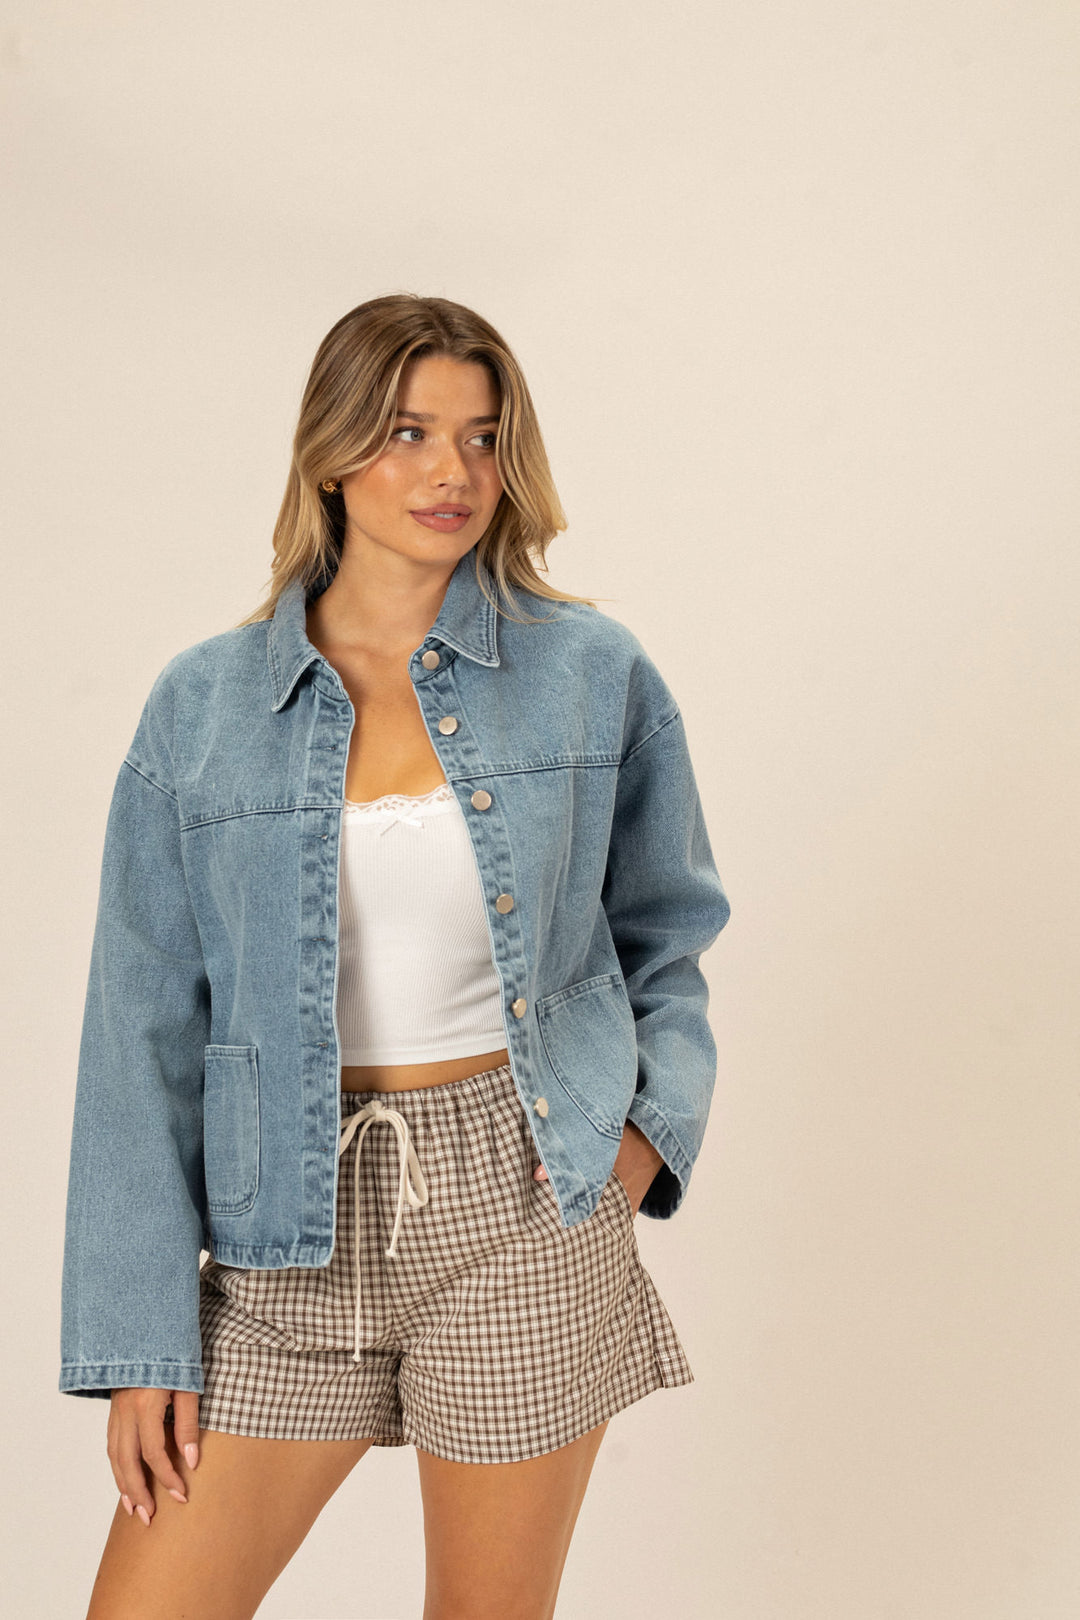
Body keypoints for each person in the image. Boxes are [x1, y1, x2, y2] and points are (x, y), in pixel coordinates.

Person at [60, 293, 732, 1620]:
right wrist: (140, 1337)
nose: (451, 473)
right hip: (280, 1233)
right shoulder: (204, 707)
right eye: (409, 431)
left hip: (522, 1199)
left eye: (482, 438)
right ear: (330, 450)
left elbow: (669, 925)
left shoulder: (590, 672)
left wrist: (643, 1134)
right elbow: (138, 1028)